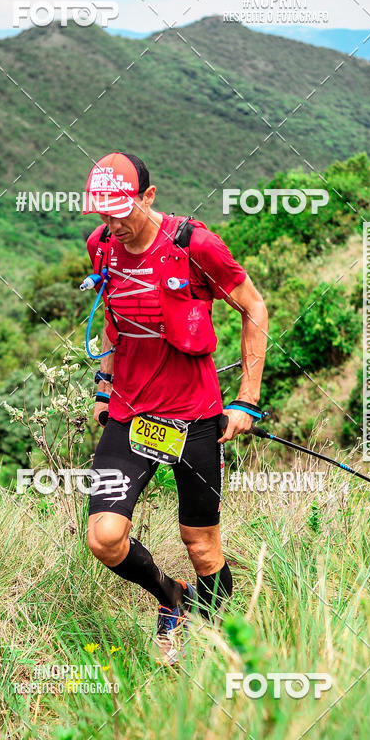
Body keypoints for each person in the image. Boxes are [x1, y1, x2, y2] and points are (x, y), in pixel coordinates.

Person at [82, 151, 268, 664]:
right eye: (103, 212)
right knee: (104, 537)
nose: (112, 222)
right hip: (130, 415)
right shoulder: (101, 246)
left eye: (122, 209)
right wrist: (104, 386)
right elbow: (116, 318)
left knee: (203, 546)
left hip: (194, 416)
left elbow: (254, 307)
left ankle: (211, 646)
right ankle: (172, 598)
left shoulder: (194, 244)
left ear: (148, 196)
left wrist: (247, 401)